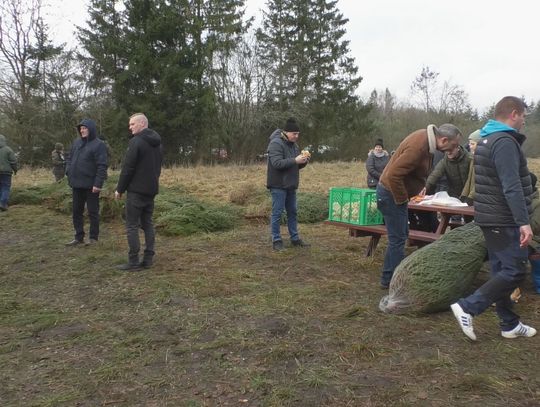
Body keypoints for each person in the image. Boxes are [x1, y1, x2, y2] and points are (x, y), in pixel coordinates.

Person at [451, 96, 537, 341]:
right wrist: (523, 221)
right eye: (522, 116)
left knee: (501, 269)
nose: (523, 122)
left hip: (491, 217)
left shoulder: (486, 139)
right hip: (505, 218)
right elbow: (511, 186)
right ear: (513, 113)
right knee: (515, 270)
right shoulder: (505, 142)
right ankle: (468, 306)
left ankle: (509, 324)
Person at [376, 123, 462, 288]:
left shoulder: (425, 139)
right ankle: (390, 281)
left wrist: (418, 188)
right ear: (444, 140)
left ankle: (394, 277)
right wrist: (402, 201)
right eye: (455, 144)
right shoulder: (419, 147)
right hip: (390, 195)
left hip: (393, 195)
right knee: (398, 239)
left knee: (401, 235)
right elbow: (394, 175)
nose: (455, 148)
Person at [114, 113, 162, 271]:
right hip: (151, 190)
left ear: (142, 124)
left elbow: (128, 168)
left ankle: (133, 262)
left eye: (132, 124)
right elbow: (158, 167)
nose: (130, 127)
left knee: (132, 225)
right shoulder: (157, 142)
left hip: (136, 191)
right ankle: (148, 259)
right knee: (147, 223)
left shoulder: (137, 141)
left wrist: (120, 189)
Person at [266, 117, 310, 251]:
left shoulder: (294, 145)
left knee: (293, 212)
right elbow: (277, 163)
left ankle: (295, 238)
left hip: (291, 185)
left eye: (298, 134)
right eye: (294, 134)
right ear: (286, 132)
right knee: (277, 213)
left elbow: (295, 165)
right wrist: (295, 160)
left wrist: (304, 161)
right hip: (278, 185)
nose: (296, 136)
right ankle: (276, 240)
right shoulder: (275, 144)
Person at [65, 119, 108, 246]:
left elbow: (102, 165)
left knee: (93, 211)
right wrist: (68, 171)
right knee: (76, 211)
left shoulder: (98, 145)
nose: (82, 130)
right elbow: (69, 158)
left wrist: (98, 184)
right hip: (76, 184)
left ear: (91, 129)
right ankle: (79, 237)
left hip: (91, 185)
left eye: (85, 128)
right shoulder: (76, 143)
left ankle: (93, 238)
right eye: (81, 129)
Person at [460, 129, 482, 206]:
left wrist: (471, 197)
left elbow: (480, 181)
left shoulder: (482, 160)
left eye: (472, 144)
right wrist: (464, 195)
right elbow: (470, 179)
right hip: (472, 197)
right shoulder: (472, 158)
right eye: (469, 143)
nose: (470, 146)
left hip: (479, 199)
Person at [0, 134, 18, 211]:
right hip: (6, 172)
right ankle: (3, 204)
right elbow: (13, 162)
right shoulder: (8, 150)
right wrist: (15, 170)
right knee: (5, 187)